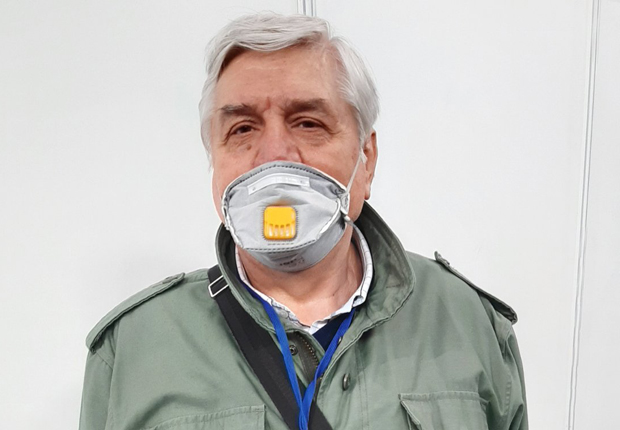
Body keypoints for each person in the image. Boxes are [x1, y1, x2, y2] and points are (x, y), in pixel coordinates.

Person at [79, 13, 527, 430]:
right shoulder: (132, 349)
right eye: (242, 129)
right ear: (214, 160)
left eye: (308, 123)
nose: (275, 155)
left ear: (366, 159)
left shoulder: (471, 325)